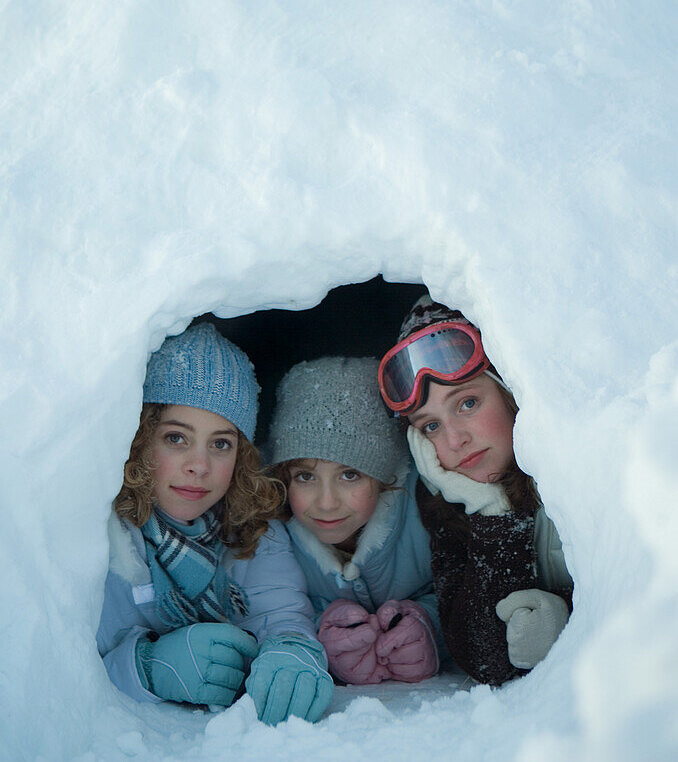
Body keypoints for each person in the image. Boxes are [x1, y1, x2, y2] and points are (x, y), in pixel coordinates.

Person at [97, 322, 333, 725]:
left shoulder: (254, 531)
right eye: (176, 438)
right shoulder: (103, 537)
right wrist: (144, 667)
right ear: (140, 439)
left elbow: (282, 615)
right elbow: (68, 660)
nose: (199, 466)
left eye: (221, 444)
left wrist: (293, 650)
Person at [378, 295, 573, 686]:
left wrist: (571, 620)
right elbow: (482, 658)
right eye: (430, 426)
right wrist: (492, 513)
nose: (454, 439)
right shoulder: (447, 503)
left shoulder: (581, 475)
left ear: (510, 393)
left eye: (467, 402)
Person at [266, 356, 440, 686]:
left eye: (350, 474)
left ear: (385, 477)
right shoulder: (275, 541)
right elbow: (268, 613)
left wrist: (430, 627)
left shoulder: (425, 513)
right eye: (305, 476)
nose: (327, 502)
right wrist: (323, 635)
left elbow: (461, 590)